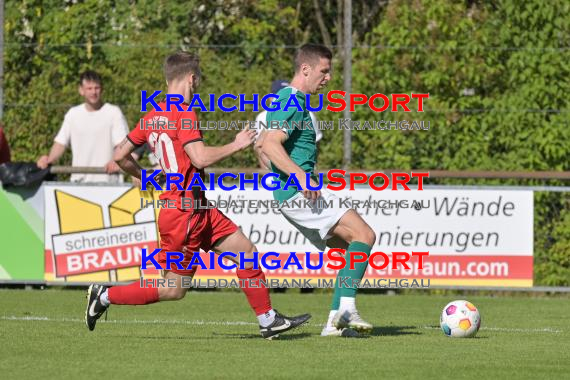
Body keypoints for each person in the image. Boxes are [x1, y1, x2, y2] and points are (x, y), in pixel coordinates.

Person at [85, 51, 311, 340]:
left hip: (198, 207)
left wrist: (147, 177)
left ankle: (268, 320)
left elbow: (119, 154)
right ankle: (104, 295)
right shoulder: (183, 112)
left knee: (246, 252)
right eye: (199, 79)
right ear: (192, 78)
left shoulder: (154, 114)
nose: (199, 84)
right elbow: (200, 157)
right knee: (173, 289)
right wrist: (236, 144)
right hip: (183, 214)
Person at [256, 44, 377, 337]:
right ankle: (345, 311)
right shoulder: (291, 100)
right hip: (299, 193)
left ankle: (335, 323)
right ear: (305, 69)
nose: (329, 77)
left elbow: (261, 145)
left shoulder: (292, 102)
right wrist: (300, 176)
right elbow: (270, 144)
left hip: (291, 195)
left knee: (349, 249)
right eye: (324, 71)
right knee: (365, 234)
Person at [36, 71, 129, 183]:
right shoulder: (73, 114)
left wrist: (117, 160)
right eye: (89, 88)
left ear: (102, 89)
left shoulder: (113, 112)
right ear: (81, 90)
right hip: (78, 183)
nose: (93, 92)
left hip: (108, 182)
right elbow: (60, 143)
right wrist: (48, 160)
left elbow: (123, 144)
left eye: (97, 88)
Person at [254, 80, 322, 170]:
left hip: (300, 174)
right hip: (285, 175)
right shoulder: (262, 117)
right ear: (270, 97)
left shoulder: (309, 115)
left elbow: (315, 143)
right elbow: (260, 147)